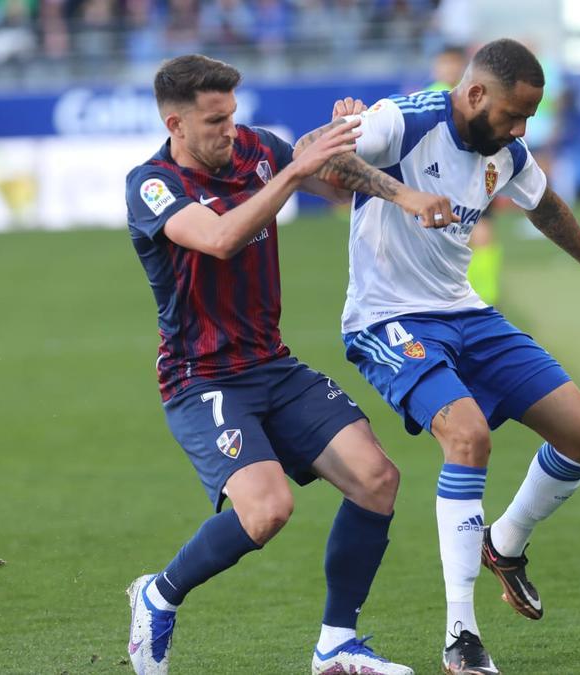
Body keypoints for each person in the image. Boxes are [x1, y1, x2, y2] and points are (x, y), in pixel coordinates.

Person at [297, 38, 580, 674]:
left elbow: (546, 206)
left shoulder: (504, 151)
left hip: (465, 314)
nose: (520, 130)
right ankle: (462, 636)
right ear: (476, 93)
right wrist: (394, 187)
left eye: (529, 120)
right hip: (388, 319)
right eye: (514, 115)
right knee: (468, 435)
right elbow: (308, 158)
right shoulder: (408, 119)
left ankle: (505, 542)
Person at [123, 54, 421, 675]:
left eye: (232, 116)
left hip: (271, 366)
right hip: (201, 377)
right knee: (267, 511)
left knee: (377, 479)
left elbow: (335, 185)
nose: (229, 130)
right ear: (175, 124)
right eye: (213, 121)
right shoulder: (152, 184)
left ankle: (337, 646)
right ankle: (157, 595)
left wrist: (346, 140)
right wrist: (291, 175)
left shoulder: (257, 148)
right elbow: (220, 238)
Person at [426, 45, 504, 305]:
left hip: (473, 178)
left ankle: (485, 294)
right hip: (438, 182)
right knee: (443, 240)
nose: (449, 69)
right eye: (444, 64)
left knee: (482, 233)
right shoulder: (428, 97)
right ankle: (454, 293)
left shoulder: (475, 98)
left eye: (454, 64)